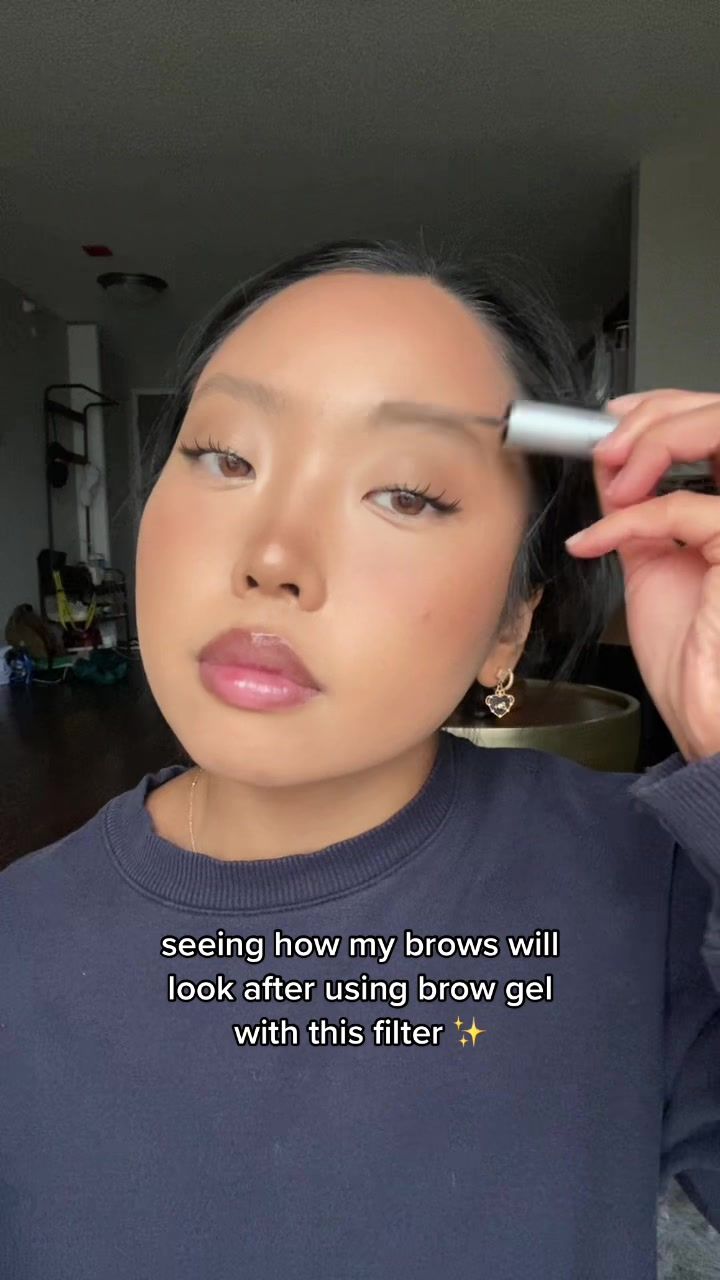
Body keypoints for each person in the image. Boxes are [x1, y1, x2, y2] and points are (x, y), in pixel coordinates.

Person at [2, 238, 719, 1279]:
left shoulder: (649, 889)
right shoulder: (19, 948)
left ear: (511, 625)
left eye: (406, 493)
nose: (273, 556)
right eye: (227, 457)